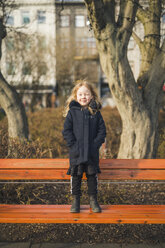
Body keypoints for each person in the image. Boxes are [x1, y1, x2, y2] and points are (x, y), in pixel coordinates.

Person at [62, 80, 106, 213]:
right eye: (80, 94)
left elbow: (102, 131)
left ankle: (93, 200)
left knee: (92, 177)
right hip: (76, 153)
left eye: (86, 94)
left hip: (91, 153)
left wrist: (95, 145)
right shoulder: (72, 113)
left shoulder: (96, 113)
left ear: (92, 96)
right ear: (76, 96)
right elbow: (66, 131)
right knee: (76, 176)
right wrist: (73, 145)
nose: (83, 97)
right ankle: (76, 201)